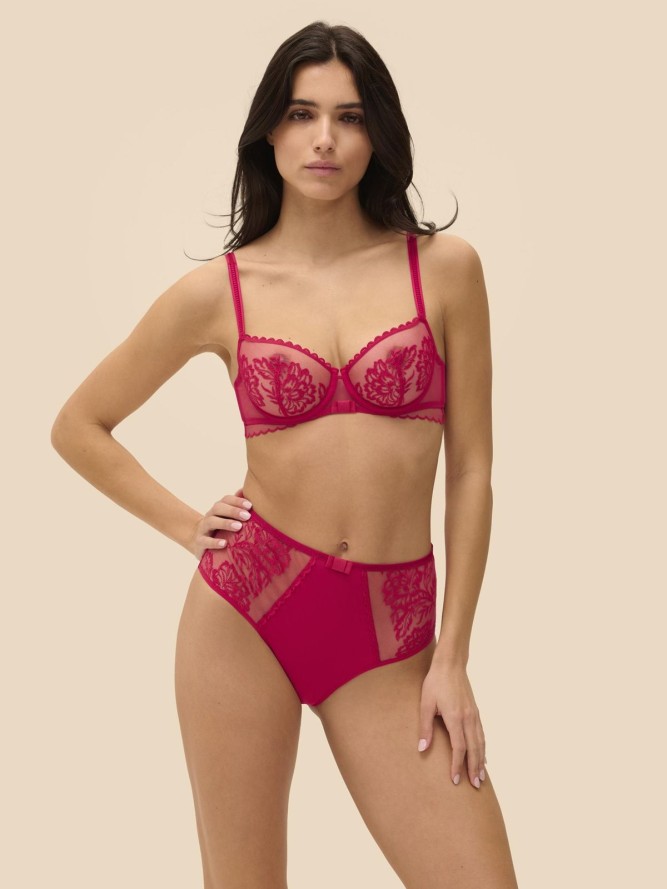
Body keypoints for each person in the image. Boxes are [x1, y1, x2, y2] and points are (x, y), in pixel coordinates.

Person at [51, 20, 519, 889]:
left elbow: (472, 471)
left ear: (377, 133)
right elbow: (79, 424)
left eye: (349, 116)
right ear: (269, 130)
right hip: (248, 611)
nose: (324, 138)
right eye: (302, 113)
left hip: (392, 634)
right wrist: (187, 525)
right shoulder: (219, 291)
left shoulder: (445, 269)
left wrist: (452, 657)